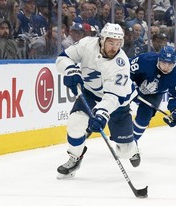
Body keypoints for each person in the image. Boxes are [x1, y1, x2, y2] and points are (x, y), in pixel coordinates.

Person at [55, 23, 139, 179]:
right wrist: (70, 70)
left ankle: (133, 149)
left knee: (125, 151)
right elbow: (63, 58)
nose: (114, 47)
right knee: (75, 122)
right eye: (110, 42)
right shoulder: (87, 44)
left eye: (118, 43)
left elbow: (113, 97)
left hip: (118, 103)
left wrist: (101, 114)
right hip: (91, 94)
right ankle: (75, 157)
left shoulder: (121, 63)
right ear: (102, 39)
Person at [130, 46, 176, 153]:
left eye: (170, 64)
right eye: (164, 63)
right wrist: (130, 86)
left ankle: (131, 141)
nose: (166, 67)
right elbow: (126, 69)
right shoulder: (146, 59)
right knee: (117, 104)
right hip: (132, 85)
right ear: (159, 59)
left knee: (145, 116)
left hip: (154, 94)